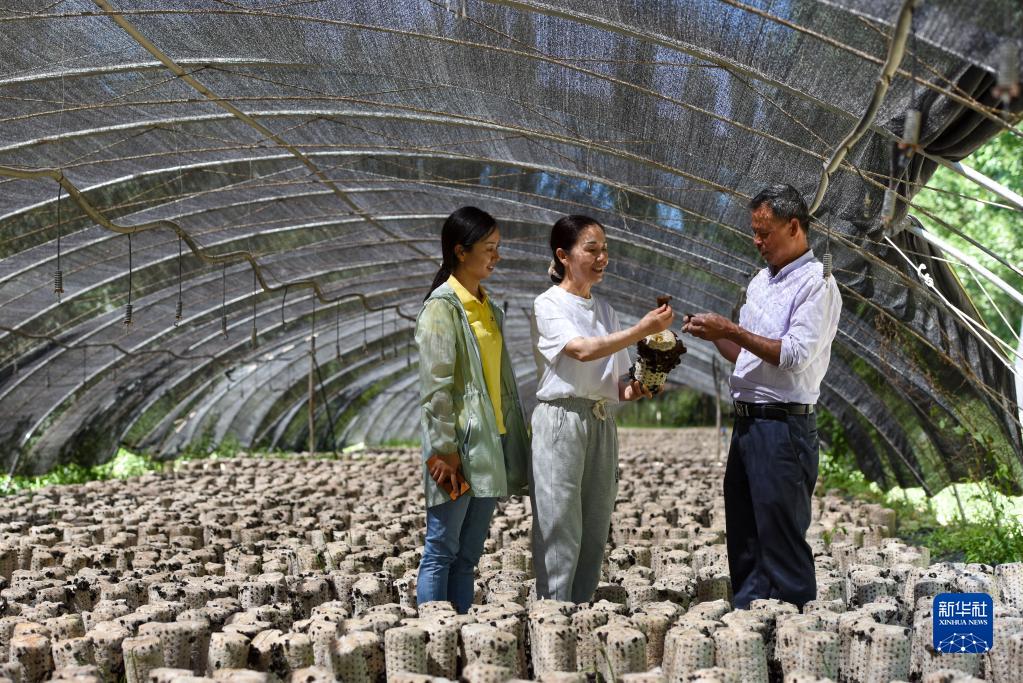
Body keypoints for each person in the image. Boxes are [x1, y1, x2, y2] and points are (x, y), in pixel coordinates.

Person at [683, 184, 842, 609]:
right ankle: (750, 622)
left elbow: (793, 355)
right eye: (754, 231)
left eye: (764, 232)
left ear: (794, 227)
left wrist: (731, 329)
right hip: (749, 424)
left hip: (782, 428)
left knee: (782, 541)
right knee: (746, 538)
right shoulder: (760, 282)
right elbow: (747, 357)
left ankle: (795, 630)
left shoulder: (817, 284)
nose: (757, 241)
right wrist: (714, 335)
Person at [530, 214, 673, 603]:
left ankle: (582, 608)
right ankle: (553, 610)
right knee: (560, 523)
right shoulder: (549, 304)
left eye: (605, 249)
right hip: (562, 420)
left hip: (600, 420)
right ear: (563, 255)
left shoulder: (605, 310)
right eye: (591, 249)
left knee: (595, 525)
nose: (601, 257)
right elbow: (580, 350)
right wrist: (641, 330)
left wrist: (641, 385)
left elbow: (617, 385)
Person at [415, 206, 530, 613]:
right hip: (454, 451)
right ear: (460, 251)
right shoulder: (442, 308)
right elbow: (436, 388)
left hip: (489, 445)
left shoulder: (488, 308)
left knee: (467, 555)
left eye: (498, 247)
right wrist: (445, 450)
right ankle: (434, 632)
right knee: (441, 548)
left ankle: (459, 631)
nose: (497, 255)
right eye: (489, 247)